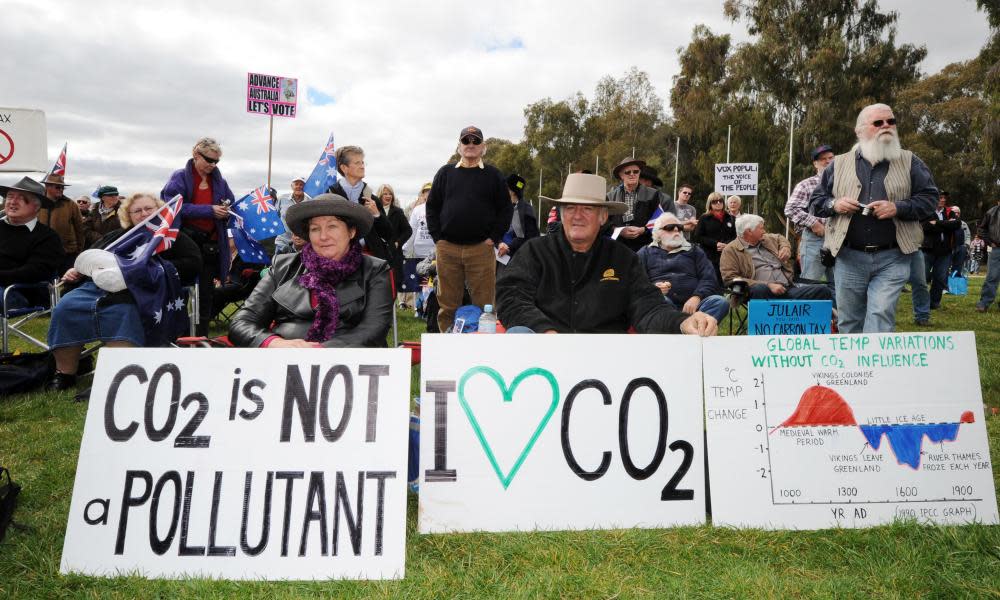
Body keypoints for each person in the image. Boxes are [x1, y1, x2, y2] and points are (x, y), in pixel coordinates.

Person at [496, 173, 716, 336]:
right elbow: (511, 298)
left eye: (587, 209)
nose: (577, 216)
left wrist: (683, 322)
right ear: (561, 214)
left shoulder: (623, 259)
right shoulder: (534, 251)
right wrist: (545, 331)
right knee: (519, 333)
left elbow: (648, 307)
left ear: (603, 217)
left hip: (606, 361)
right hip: (544, 357)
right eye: (570, 208)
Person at [46, 193, 201, 390]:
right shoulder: (116, 237)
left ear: (160, 211)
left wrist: (148, 268)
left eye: (149, 209)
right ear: (128, 216)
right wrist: (76, 271)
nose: (144, 214)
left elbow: (193, 264)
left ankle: (116, 378)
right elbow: (91, 261)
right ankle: (65, 374)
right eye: (137, 211)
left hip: (146, 292)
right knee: (66, 307)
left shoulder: (172, 236)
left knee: (123, 311)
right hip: (97, 288)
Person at [809, 103, 937, 333]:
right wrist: (835, 204)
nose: (886, 126)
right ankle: (853, 369)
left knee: (880, 316)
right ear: (859, 130)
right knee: (849, 322)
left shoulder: (910, 161)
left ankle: (876, 370)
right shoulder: (838, 164)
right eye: (878, 123)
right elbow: (816, 202)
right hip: (848, 255)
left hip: (893, 256)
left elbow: (930, 200)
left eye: (891, 121)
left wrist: (898, 208)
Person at [229, 194, 393, 348]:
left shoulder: (374, 270)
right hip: (280, 361)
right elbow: (242, 322)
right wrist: (273, 343)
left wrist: (316, 352)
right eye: (315, 229)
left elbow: (373, 330)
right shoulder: (282, 266)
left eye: (332, 227)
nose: (323, 236)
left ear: (351, 231)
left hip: (347, 366)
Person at [425, 125, 512, 333]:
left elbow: (505, 209)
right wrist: (438, 238)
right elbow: (432, 207)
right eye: (466, 141)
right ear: (459, 146)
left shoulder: (493, 175)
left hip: (481, 249)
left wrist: (494, 237)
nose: (470, 145)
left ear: (483, 147)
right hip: (447, 248)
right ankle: (447, 343)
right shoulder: (445, 173)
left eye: (475, 141)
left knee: (485, 305)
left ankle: (483, 348)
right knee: (447, 304)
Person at [161, 137, 236, 335]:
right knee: (179, 294)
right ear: (196, 155)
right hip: (183, 246)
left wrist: (226, 209)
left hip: (210, 246)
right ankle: (175, 336)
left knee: (205, 296)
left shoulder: (220, 182)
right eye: (209, 160)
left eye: (216, 161)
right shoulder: (179, 177)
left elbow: (231, 201)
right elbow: (172, 207)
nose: (213, 165)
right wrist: (209, 210)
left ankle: (200, 338)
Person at [638, 212, 729, 322]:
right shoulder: (645, 252)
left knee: (720, 302)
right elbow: (637, 281)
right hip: (663, 305)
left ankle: (688, 330)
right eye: (670, 228)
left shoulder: (695, 251)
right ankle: (688, 330)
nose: (676, 231)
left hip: (695, 306)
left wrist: (697, 297)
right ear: (658, 233)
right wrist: (654, 289)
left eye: (679, 228)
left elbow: (709, 278)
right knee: (660, 301)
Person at [720, 214, 833, 301]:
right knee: (760, 289)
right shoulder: (731, 250)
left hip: (788, 289)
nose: (764, 231)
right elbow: (730, 279)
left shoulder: (766, 239)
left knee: (823, 290)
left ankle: (805, 327)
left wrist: (785, 248)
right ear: (749, 231)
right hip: (760, 293)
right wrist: (768, 285)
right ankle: (772, 327)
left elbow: (780, 237)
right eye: (761, 228)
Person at [0, 177, 65, 309]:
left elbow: (33, 272)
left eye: (21, 198)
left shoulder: (48, 237)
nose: (12, 202)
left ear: (37, 206)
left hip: (20, 292)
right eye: (10, 196)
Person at [326, 146, 396, 265]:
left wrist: (377, 214)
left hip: (370, 261)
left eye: (363, 162)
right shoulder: (330, 197)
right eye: (357, 162)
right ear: (344, 168)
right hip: (337, 260)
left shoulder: (372, 199)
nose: (362, 166)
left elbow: (388, 234)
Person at [785, 145, 836, 295]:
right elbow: (791, 208)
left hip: (840, 239)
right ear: (815, 163)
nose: (828, 161)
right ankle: (806, 318)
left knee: (840, 284)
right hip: (815, 240)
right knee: (809, 283)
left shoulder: (845, 183)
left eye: (831, 158)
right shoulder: (806, 185)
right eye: (823, 159)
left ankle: (838, 318)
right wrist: (813, 223)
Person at [606, 157, 675, 252]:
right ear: (621, 175)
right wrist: (620, 231)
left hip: (645, 247)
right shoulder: (610, 197)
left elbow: (659, 219)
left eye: (636, 171)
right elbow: (605, 222)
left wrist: (643, 230)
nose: (632, 174)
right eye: (628, 172)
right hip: (618, 247)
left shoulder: (653, 194)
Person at [921, 193, 960, 309]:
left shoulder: (949, 212)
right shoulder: (926, 211)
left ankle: (934, 303)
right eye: (940, 198)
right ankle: (922, 302)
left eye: (944, 198)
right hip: (928, 249)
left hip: (945, 251)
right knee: (923, 277)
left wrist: (937, 223)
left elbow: (956, 224)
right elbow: (925, 227)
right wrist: (947, 225)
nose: (942, 200)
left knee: (940, 277)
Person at [40, 172, 86, 271]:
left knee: (66, 284)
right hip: (42, 252)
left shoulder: (71, 204)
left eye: (62, 187)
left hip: (67, 253)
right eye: (58, 187)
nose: (61, 189)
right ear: (47, 186)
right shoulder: (37, 203)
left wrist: (78, 250)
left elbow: (80, 229)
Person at [376, 183, 412, 300]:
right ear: (380, 196)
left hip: (394, 255)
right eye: (385, 193)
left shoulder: (398, 212)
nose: (388, 196)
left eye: (390, 193)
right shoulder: (373, 211)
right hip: (378, 253)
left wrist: (398, 243)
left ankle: (392, 314)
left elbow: (408, 230)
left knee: (394, 283)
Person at [693, 192, 736, 283]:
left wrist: (727, 245)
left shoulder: (731, 218)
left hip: (728, 254)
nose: (718, 203)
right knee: (713, 280)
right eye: (714, 201)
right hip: (710, 256)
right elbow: (698, 237)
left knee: (728, 280)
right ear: (709, 204)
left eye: (720, 201)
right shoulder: (704, 218)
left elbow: (735, 236)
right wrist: (715, 244)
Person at [497, 174, 539, 266]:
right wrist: (499, 243)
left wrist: (509, 247)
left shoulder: (526, 211)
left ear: (512, 192)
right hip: (500, 256)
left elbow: (529, 237)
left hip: (518, 261)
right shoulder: (503, 207)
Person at [274, 176, 312, 255]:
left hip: (302, 244)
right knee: (278, 266)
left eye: (301, 184)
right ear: (292, 186)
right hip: (282, 242)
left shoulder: (310, 202)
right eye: (296, 184)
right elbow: (275, 217)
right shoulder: (281, 199)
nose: (299, 186)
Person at [975, 197, 1000, 312]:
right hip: (996, 249)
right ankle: (984, 303)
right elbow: (981, 230)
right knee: (992, 277)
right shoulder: (991, 213)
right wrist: (990, 242)